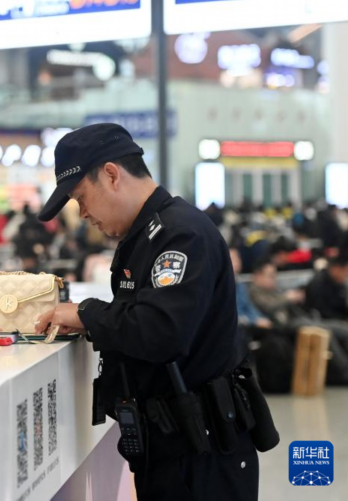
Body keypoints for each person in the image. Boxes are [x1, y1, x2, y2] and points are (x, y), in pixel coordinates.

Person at [35, 124, 265, 500]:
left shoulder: (180, 235)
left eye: (81, 198)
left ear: (112, 175)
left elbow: (162, 332)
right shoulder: (143, 237)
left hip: (202, 457)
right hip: (168, 447)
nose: (84, 213)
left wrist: (86, 313)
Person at [304, 254, 348, 322]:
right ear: (336, 268)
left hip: (339, 319)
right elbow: (322, 311)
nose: (346, 276)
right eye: (345, 272)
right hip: (322, 322)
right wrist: (343, 321)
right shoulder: (318, 284)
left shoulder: (338, 283)